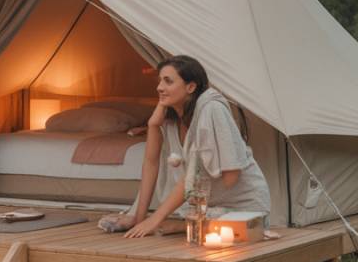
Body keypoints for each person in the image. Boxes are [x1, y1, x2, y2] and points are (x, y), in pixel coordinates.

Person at [108, 55, 269, 238]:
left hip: (242, 208)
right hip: (204, 206)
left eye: (168, 81)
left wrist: (156, 218)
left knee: (218, 227)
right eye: (160, 81)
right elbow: (151, 163)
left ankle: (181, 225)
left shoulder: (211, 110)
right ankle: (184, 224)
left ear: (191, 87)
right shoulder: (170, 118)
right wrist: (139, 217)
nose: (159, 87)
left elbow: (195, 175)